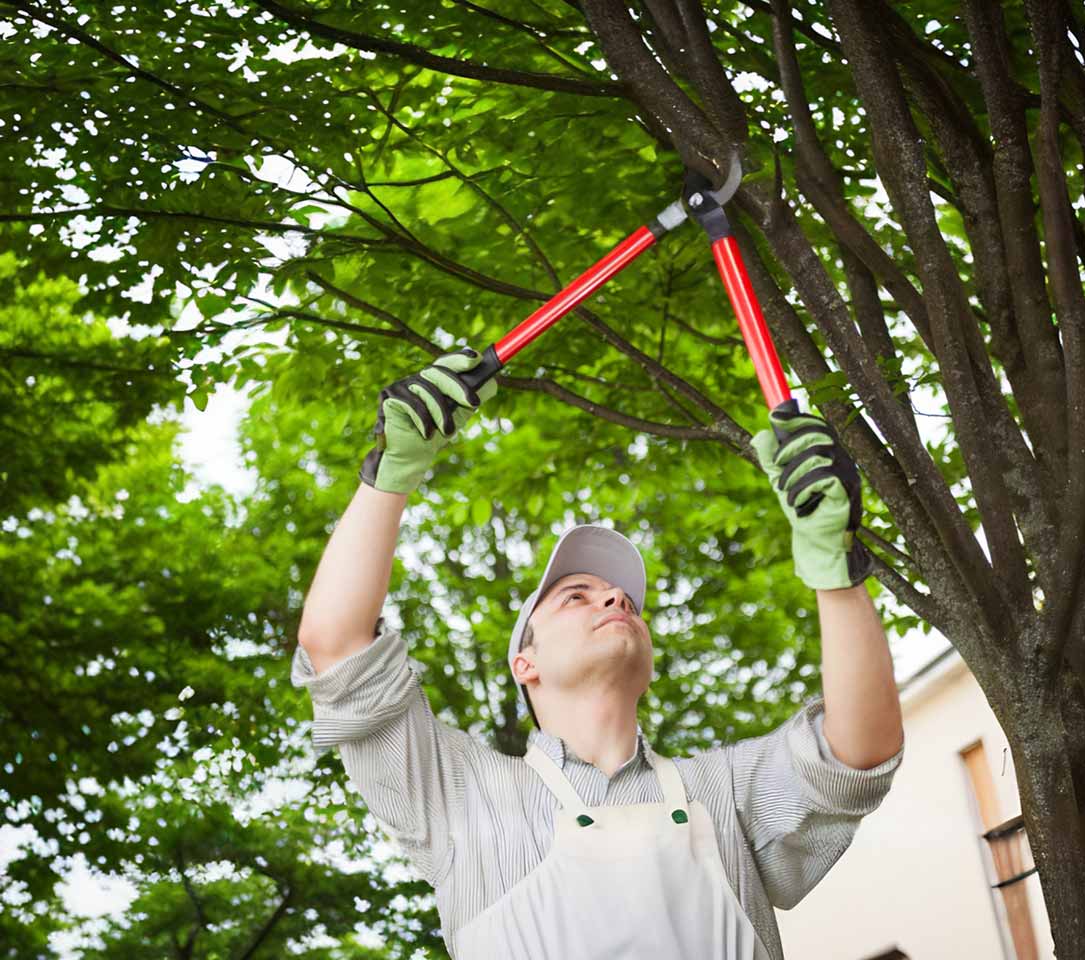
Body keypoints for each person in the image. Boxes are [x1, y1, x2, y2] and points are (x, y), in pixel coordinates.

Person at [291, 347, 905, 959]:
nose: (614, 597)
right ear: (525, 664)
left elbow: (859, 752)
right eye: (575, 596)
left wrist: (835, 570)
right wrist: (391, 474)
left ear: (649, 667)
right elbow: (337, 648)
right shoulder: (460, 794)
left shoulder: (723, 789)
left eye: (625, 601)